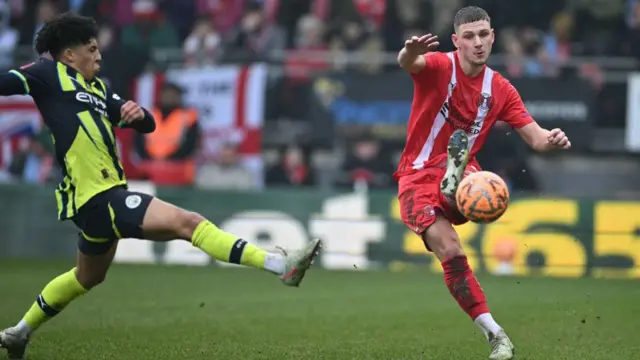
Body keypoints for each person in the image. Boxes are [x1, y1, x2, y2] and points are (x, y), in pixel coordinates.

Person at [0, 13, 322, 360]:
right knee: (190, 223)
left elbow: (147, 124)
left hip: (100, 200)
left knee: (86, 277)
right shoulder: (47, 75)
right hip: (98, 197)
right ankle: (279, 266)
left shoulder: (98, 88)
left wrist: (139, 116)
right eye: (91, 49)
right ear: (68, 55)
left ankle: (19, 333)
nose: (99, 56)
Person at [394, 6, 571, 360]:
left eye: (483, 35)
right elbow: (409, 63)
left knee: (488, 198)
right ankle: (496, 335)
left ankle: (454, 182)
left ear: (492, 36)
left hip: (465, 173)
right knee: (452, 251)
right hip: (416, 174)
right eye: (470, 37)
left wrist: (552, 141)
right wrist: (411, 51)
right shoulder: (441, 66)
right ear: (456, 41)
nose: (478, 43)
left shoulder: (501, 88)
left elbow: (536, 140)